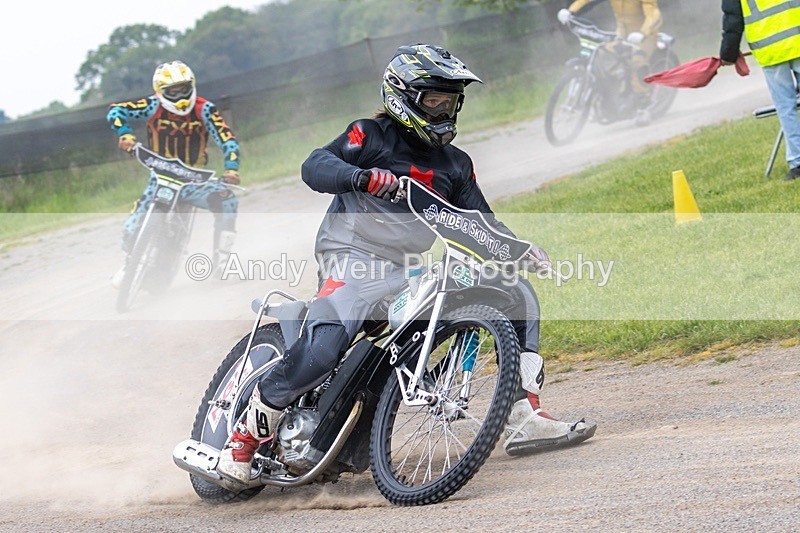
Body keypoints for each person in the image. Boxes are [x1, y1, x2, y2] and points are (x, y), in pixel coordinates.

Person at [217, 44, 596, 484]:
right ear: (403, 95)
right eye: (434, 101)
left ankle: (523, 414)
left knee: (517, 292)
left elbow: (482, 224)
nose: (443, 112)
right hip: (351, 257)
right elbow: (314, 165)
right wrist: (360, 177)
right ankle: (242, 441)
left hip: (405, 269)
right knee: (323, 350)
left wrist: (520, 251)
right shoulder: (369, 135)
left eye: (450, 102)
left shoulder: (457, 165)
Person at [107, 60, 242, 284]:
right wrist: (125, 134)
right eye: (173, 91)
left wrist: (231, 168)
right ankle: (130, 263)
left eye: (183, 89)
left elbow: (226, 138)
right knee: (134, 222)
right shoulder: (152, 105)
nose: (180, 96)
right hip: (160, 176)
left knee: (227, 200)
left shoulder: (204, 109)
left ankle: (222, 260)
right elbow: (116, 110)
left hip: (194, 179)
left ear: (192, 86)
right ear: (161, 91)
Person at [721, 0, 800, 181]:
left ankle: (797, 162)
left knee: (786, 108)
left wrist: (728, 53)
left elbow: (733, 19)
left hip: (771, 50)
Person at [559, 0, 663, 125]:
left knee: (637, 62)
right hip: (622, 36)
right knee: (602, 56)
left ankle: (643, 107)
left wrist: (643, 33)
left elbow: (654, 15)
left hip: (645, 37)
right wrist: (570, 11)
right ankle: (608, 100)